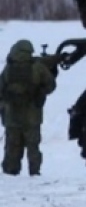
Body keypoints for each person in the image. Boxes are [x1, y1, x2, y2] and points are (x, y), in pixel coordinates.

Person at [1, 39, 57, 176]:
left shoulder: (8, 68)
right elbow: (51, 85)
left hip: (12, 116)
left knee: (12, 147)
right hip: (32, 116)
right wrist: (41, 92)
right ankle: (34, 173)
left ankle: (10, 173)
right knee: (33, 147)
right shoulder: (38, 67)